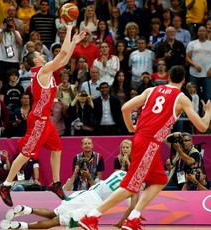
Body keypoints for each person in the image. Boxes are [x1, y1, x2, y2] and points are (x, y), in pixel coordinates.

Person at [78, 65, 211, 230]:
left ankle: (133, 218)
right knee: (131, 185)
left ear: (168, 76)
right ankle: (92, 216)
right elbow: (203, 127)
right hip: (149, 141)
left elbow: (125, 108)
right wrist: (208, 111)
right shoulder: (182, 98)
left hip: (145, 139)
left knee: (160, 180)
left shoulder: (151, 90)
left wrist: (131, 128)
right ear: (183, 80)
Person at [0, 21, 86, 206]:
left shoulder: (47, 70)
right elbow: (61, 54)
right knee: (27, 153)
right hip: (38, 119)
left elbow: (64, 58)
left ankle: (55, 183)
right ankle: (5, 185)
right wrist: (68, 31)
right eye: (40, 54)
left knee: (57, 149)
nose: (44, 55)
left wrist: (73, 42)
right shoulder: (42, 71)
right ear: (36, 60)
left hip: (46, 121)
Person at [0, 170, 138, 229]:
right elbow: (132, 208)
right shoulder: (135, 186)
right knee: (56, 222)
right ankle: (21, 226)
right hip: (94, 204)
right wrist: (121, 223)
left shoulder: (119, 172)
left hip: (85, 193)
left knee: (54, 213)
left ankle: (26, 209)